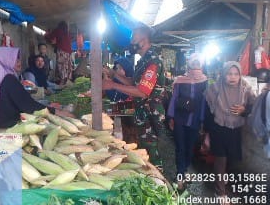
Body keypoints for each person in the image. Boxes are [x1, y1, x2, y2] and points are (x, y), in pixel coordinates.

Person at [204, 61, 255, 203]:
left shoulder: (245, 88)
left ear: (240, 75)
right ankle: (219, 193)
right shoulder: (214, 88)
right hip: (218, 128)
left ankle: (222, 179)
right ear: (223, 74)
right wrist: (207, 133)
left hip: (236, 129)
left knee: (232, 158)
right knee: (220, 160)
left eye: (236, 74)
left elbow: (253, 106)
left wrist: (244, 110)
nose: (232, 77)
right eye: (229, 74)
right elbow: (208, 113)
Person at [102, 26, 166, 139]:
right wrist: (113, 74)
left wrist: (112, 85)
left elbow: (142, 92)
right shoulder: (143, 60)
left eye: (133, 40)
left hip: (150, 116)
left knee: (149, 150)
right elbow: (133, 83)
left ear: (143, 41)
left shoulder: (153, 62)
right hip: (141, 113)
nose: (131, 43)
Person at [0, 47, 59, 129]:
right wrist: (55, 112)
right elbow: (28, 105)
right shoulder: (8, 79)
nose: (18, 62)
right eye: (13, 59)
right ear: (6, 61)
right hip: (7, 127)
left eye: (18, 59)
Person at [167, 53, 208, 190]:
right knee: (180, 147)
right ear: (189, 64)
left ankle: (184, 170)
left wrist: (202, 120)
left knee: (190, 148)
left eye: (198, 63)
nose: (195, 65)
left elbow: (203, 102)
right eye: (193, 63)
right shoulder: (180, 80)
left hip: (195, 120)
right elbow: (174, 99)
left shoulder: (204, 81)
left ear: (201, 65)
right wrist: (171, 117)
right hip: (180, 119)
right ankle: (180, 174)